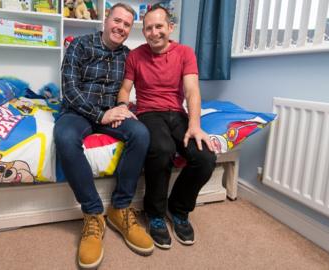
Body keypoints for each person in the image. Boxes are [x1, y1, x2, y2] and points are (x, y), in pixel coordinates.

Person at [53, 3, 154, 269]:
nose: (120, 27)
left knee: (141, 134)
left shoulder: (129, 56)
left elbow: (139, 86)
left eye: (126, 25)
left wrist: (121, 110)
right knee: (63, 137)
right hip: (78, 111)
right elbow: (69, 90)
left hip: (113, 112)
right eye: (116, 20)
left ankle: (120, 208)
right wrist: (99, 116)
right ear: (105, 20)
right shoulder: (80, 45)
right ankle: (93, 213)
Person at [116, 5, 221, 249]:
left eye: (159, 26)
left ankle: (179, 209)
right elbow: (125, 88)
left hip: (177, 113)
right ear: (144, 32)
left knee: (205, 157)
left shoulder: (185, 52)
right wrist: (122, 105)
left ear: (170, 27)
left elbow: (192, 90)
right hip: (149, 113)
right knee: (161, 150)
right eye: (148, 28)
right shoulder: (135, 55)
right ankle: (154, 214)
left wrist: (194, 124)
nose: (154, 32)